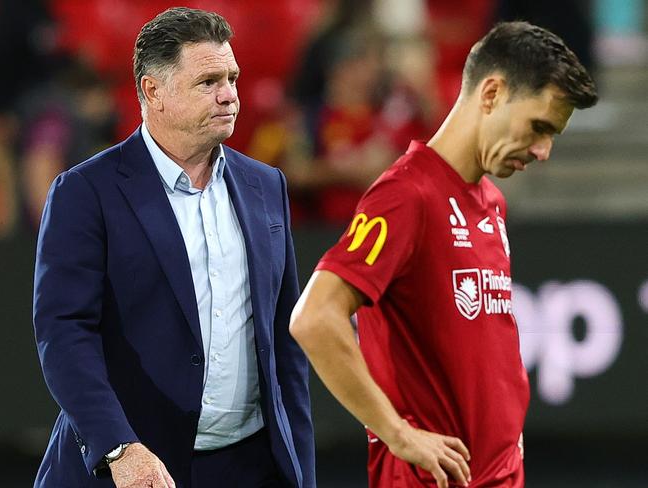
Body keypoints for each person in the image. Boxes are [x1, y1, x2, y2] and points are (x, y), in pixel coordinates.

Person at [290, 21, 597, 488]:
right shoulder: (406, 195)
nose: (543, 151)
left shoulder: (491, 200)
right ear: (491, 93)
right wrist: (397, 433)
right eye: (539, 127)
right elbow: (314, 318)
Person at [33, 7, 314, 488]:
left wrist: (300, 471)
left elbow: (285, 344)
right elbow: (63, 334)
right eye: (208, 82)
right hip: (134, 466)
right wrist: (118, 447)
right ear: (152, 91)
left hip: (250, 466)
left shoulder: (266, 185)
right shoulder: (85, 193)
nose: (229, 95)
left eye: (232, 78)